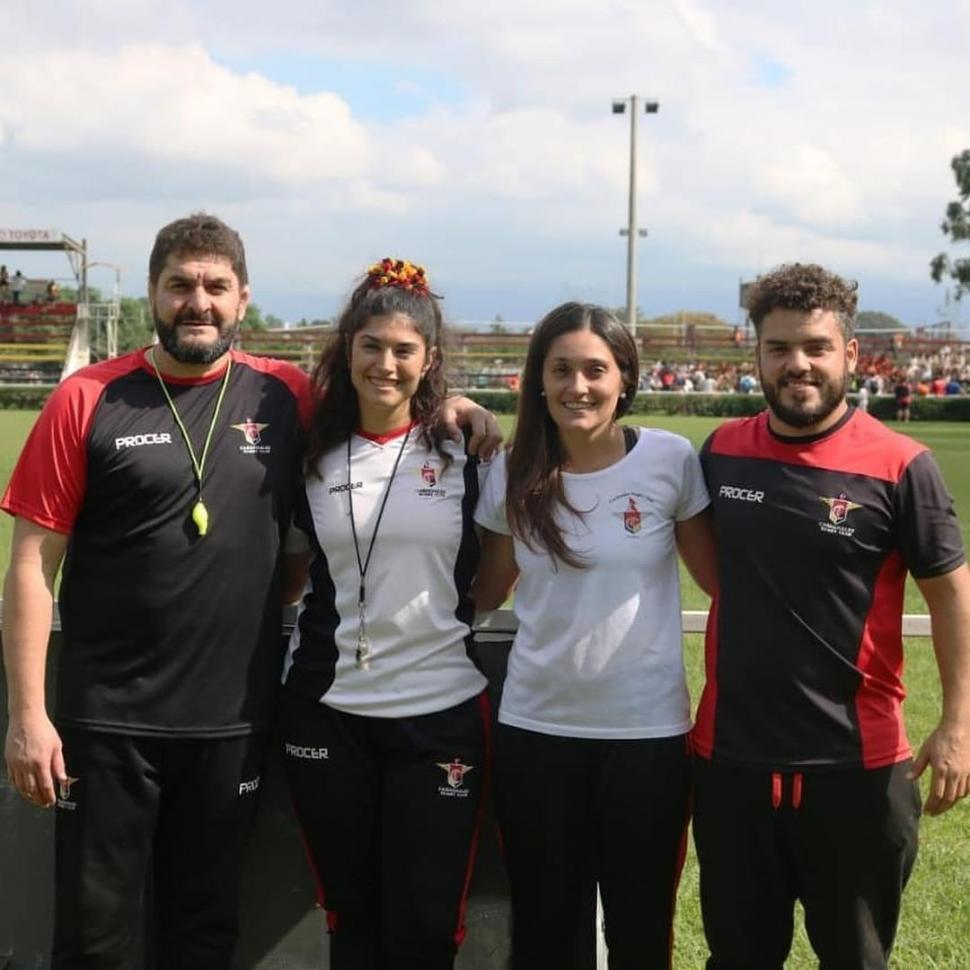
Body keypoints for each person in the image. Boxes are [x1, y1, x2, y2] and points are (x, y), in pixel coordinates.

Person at [1, 219, 499, 969]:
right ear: (152, 294)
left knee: (206, 932)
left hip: (232, 721)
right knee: (94, 934)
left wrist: (455, 405)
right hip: (106, 720)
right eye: (180, 285)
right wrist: (28, 717)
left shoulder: (283, 394)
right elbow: (32, 567)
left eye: (214, 287)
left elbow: (385, 387)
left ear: (243, 299)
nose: (197, 302)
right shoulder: (86, 398)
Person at [692, 262, 970, 970]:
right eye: (780, 348)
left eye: (816, 346)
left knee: (856, 959)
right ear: (754, 354)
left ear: (851, 353)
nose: (799, 365)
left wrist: (959, 727)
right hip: (732, 767)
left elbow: (951, 597)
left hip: (857, 771)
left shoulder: (902, 465)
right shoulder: (721, 453)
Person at [472, 302, 717, 968]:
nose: (577, 386)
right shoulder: (507, 472)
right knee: (548, 933)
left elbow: (720, 582)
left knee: (642, 932)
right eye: (560, 370)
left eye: (594, 370)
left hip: (647, 739)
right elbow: (487, 593)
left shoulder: (670, 460)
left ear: (625, 379)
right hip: (537, 734)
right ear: (538, 381)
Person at [278, 258, 490, 970]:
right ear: (348, 348)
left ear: (429, 360)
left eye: (405, 350)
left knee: (425, 924)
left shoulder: (468, 451)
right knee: (351, 915)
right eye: (372, 346)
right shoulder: (310, 454)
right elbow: (292, 571)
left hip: (439, 715)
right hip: (325, 711)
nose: (386, 364)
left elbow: (499, 570)